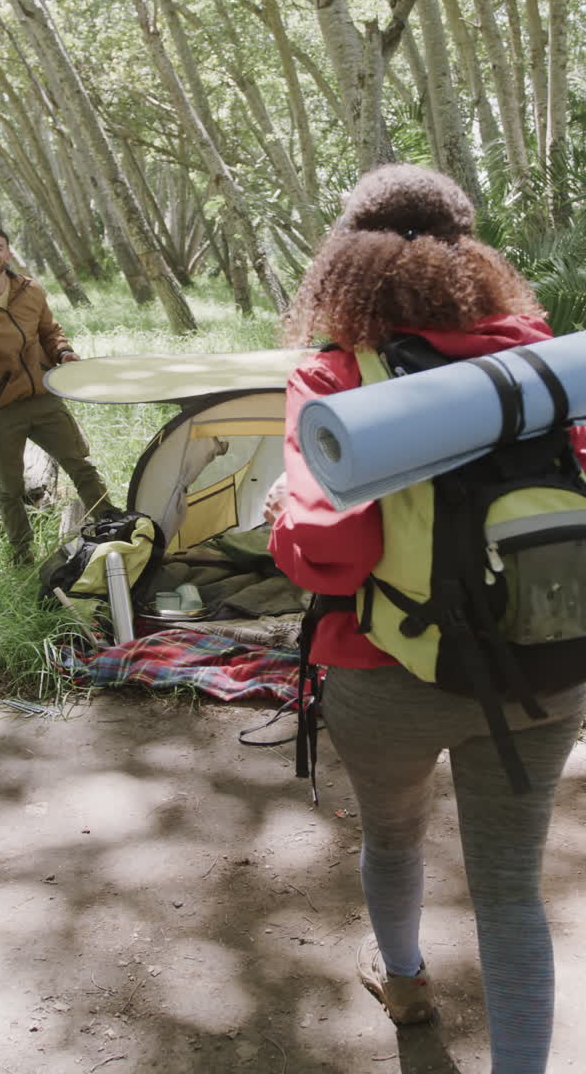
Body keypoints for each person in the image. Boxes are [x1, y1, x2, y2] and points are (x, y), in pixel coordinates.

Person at [263, 164, 586, 1073]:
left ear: (348, 257)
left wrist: (283, 526)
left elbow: (332, 555)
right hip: (546, 668)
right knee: (513, 891)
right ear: (468, 252)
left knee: (394, 837)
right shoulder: (548, 362)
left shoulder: (334, 374)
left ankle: (404, 982)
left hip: (384, 675)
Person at [0, 225, 111, 564]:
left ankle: (112, 528)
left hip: (44, 398)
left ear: (8, 253)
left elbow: (50, 332)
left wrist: (63, 353)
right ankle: (21, 556)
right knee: (9, 488)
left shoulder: (30, 291)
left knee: (81, 465)